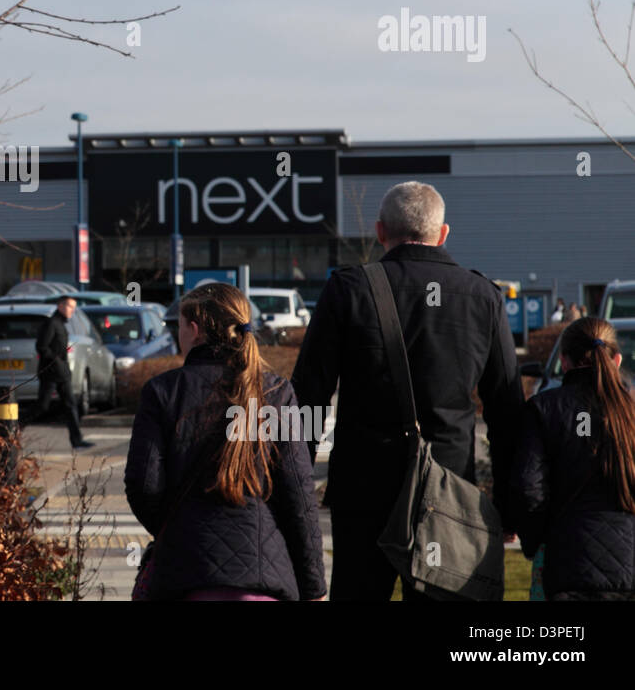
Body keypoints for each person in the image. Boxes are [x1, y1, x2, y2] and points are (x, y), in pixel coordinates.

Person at [292, 180, 523, 600]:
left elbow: (307, 397)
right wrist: (508, 501)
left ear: (379, 232)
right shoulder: (483, 298)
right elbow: (507, 412)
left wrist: (295, 485)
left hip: (363, 492)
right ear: (443, 232)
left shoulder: (348, 290)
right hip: (449, 492)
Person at [125, 282, 325, 600]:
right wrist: (313, 585)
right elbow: (298, 495)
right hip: (263, 577)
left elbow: (143, 485)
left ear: (194, 329)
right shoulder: (275, 393)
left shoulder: (163, 391)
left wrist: (176, 527)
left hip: (184, 576)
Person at [513, 318, 635, 599]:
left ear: (565, 362)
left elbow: (528, 488)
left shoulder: (544, 408)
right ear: (616, 359)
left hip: (565, 557)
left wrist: (535, 541)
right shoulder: (630, 411)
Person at [29, 296, 93, 449]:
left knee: (71, 405)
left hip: (62, 373)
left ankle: (77, 440)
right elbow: (42, 347)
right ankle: (14, 426)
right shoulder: (51, 323)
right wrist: (56, 361)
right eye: (70, 306)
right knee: (42, 407)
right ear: (60, 306)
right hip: (51, 373)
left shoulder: (61, 324)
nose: (72, 310)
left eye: (74, 307)